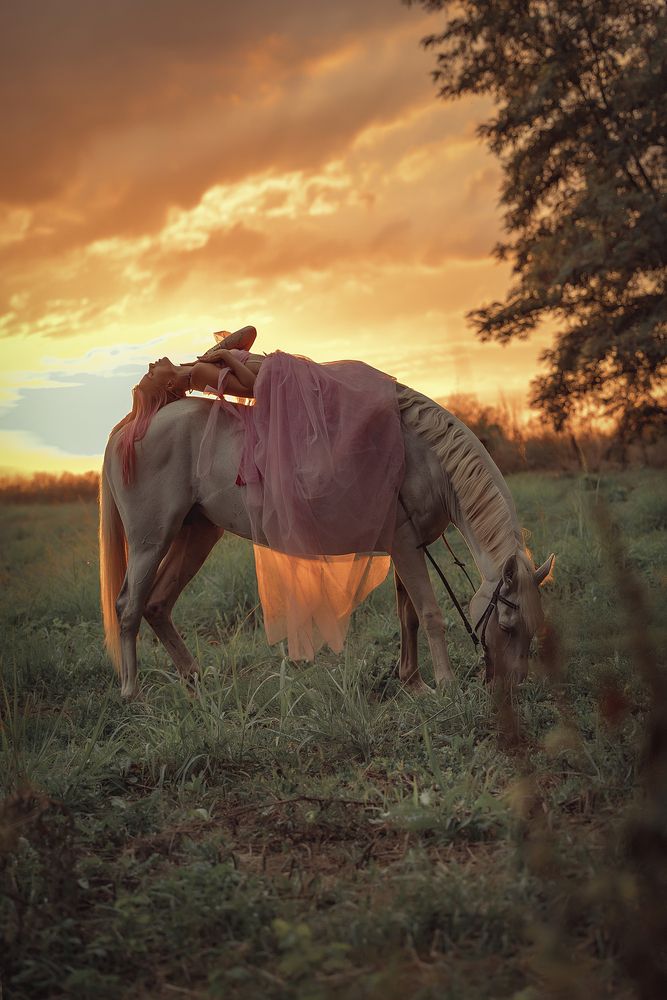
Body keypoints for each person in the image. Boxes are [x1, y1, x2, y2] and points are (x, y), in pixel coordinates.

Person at [120, 326, 405, 660]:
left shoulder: (198, 367)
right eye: (150, 374)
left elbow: (248, 333)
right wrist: (224, 358)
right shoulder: (198, 374)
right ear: (170, 386)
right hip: (285, 385)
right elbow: (254, 389)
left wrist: (213, 355)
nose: (150, 364)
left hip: (287, 375)